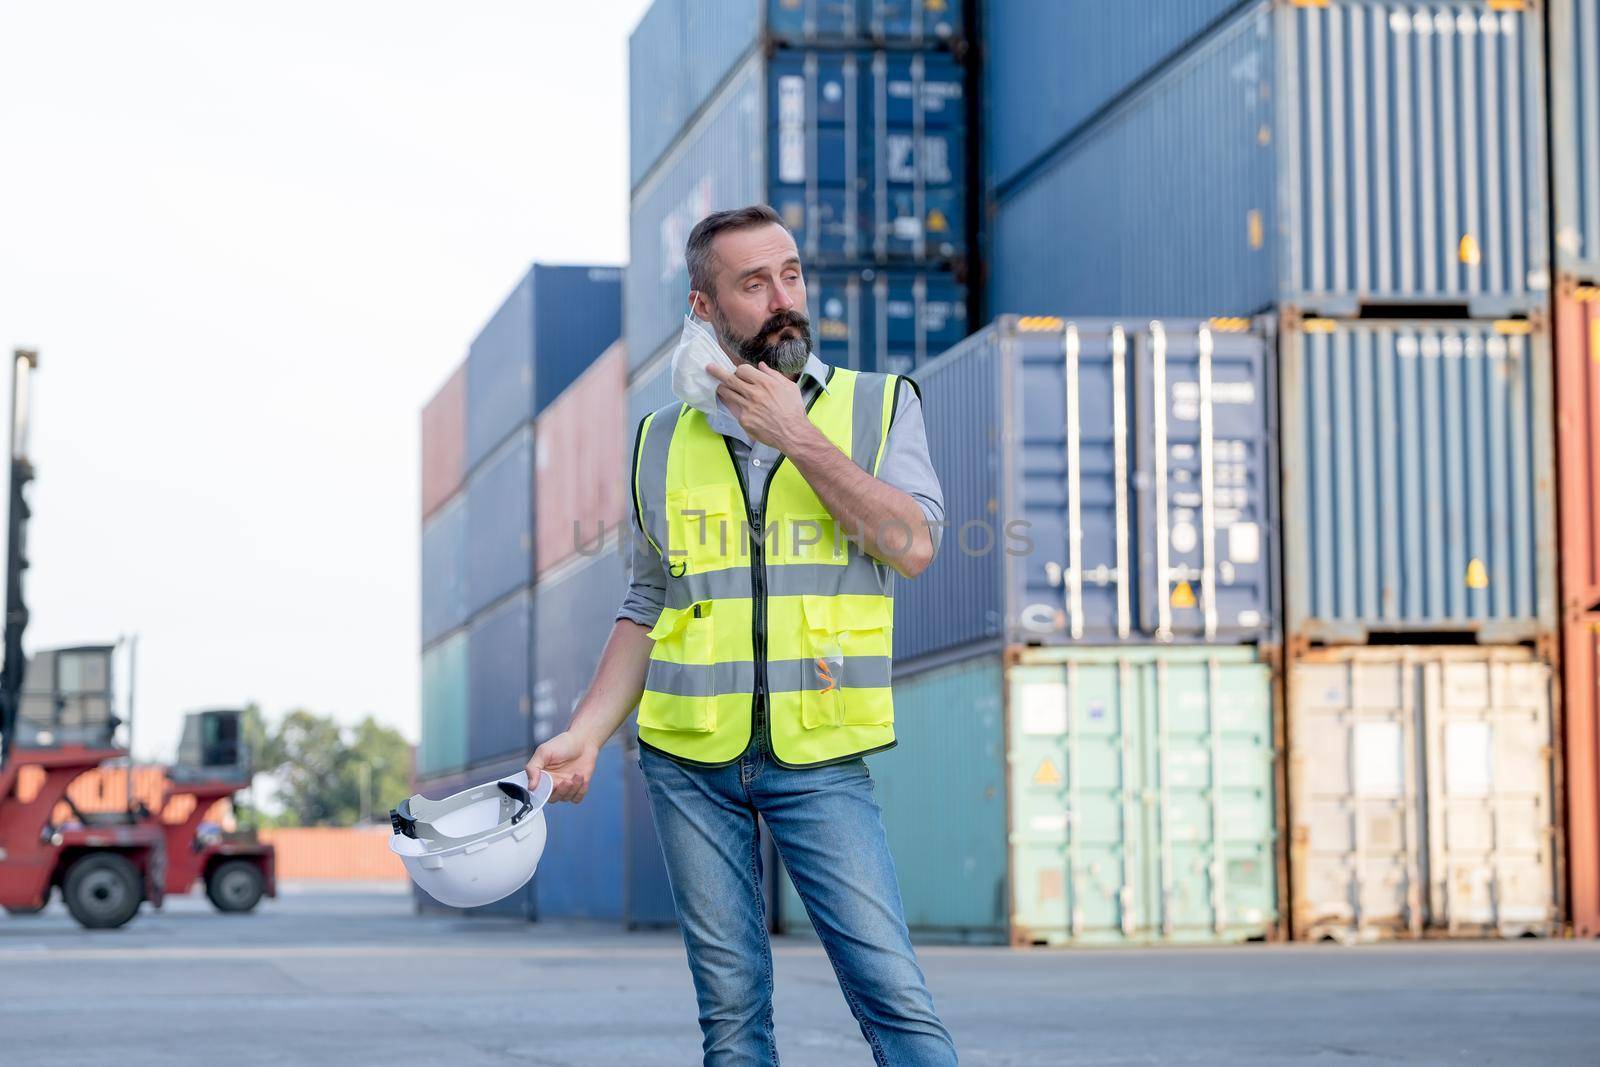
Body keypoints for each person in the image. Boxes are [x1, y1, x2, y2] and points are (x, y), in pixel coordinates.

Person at [526, 204, 957, 1066]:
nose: (782, 298)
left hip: (819, 754)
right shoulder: (658, 440)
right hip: (688, 762)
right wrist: (583, 732)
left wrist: (795, 434)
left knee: (895, 997)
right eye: (753, 284)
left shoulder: (877, 406)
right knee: (730, 1018)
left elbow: (913, 546)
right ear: (704, 307)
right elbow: (647, 603)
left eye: (791, 273)